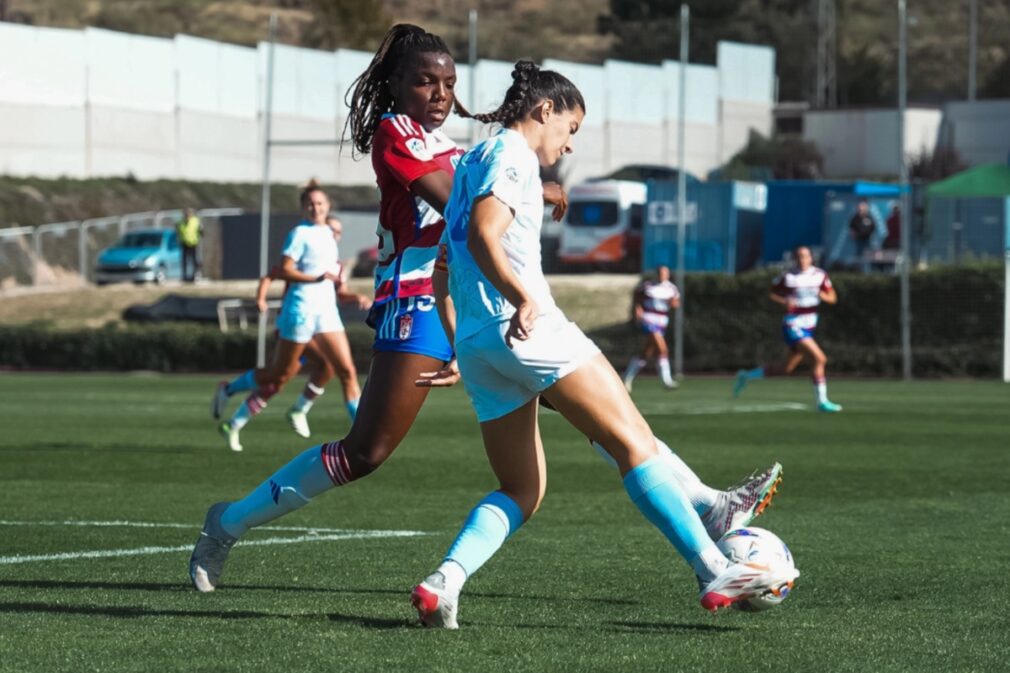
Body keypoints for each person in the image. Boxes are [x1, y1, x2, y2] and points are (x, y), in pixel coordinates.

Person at [188, 26, 780, 596]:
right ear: (395, 85)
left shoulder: (459, 148)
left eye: (448, 84)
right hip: (417, 303)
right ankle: (229, 522)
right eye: (425, 82)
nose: (441, 95)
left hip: (470, 308)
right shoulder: (399, 132)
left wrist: (527, 190)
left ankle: (707, 504)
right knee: (365, 452)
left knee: (589, 413)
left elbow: (481, 186)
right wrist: (530, 190)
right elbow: (458, 205)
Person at [410, 61, 795, 629]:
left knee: (521, 488)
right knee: (634, 444)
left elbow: (443, 269)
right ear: (544, 111)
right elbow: (483, 235)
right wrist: (523, 298)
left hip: (477, 344)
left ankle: (444, 582)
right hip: (527, 329)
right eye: (571, 127)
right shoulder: (511, 155)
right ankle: (714, 565)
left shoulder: (469, 165)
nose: (569, 144)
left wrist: (454, 345)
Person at [211, 181, 362, 452]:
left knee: (345, 370)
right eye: (311, 204)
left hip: (326, 312)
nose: (316, 208)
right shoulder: (299, 234)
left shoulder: (329, 235)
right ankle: (230, 391)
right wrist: (311, 279)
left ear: (328, 207)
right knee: (278, 375)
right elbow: (283, 270)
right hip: (300, 311)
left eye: (320, 203)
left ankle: (361, 435)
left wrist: (357, 297)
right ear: (304, 208)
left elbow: (335, 284)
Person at [733, 245, 841, 413]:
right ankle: (822, 402)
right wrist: (784, 301)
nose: (802, 260)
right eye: (798, 256)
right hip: (793, 324)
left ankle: (746, 376)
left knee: (786, 369)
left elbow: (833, 297)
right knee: (820, 359)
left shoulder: (820, 275)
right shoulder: (788, 276)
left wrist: (823, 296)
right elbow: (772, 293)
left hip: (809, 324)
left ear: (811, 258)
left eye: (805, 256)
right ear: (794, 259)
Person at [623, 264, 680, 391]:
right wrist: (637, 309)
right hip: (648, 319)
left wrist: (672, 302)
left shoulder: (672, 288)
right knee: (663, 349)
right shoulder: (648, 286)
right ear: (657, 274)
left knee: (646, 353)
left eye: (665, 273)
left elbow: (676, 303)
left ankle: (627, 377)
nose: (662, 275)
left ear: (668, 275)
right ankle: (667, 381)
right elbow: (637, 297)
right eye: (660, 273)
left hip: (662, 321)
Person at [848, 199, 875, 272]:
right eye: (860, 208)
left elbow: (873, 227)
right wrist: (854, 235)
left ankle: (868, 271)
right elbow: (851, 228)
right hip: (859, 241)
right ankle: (858, 271)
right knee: (858, 256)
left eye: (863, 208)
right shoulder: (855, 218)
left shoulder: (869, 217)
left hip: (867, 240)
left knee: (868, 257)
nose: (861, 209)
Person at [176, 207, 202, 282]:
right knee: (184, 261)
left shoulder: (196, 221)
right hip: (184, 243)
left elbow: (200, 231)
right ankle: (184, 276)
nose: (187, 215)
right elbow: (178, 231)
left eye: (189, 213)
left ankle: (194, 276)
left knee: (194, 261)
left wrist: (199, 236)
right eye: (186, 214)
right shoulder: (180, 222)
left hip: (193, 243)